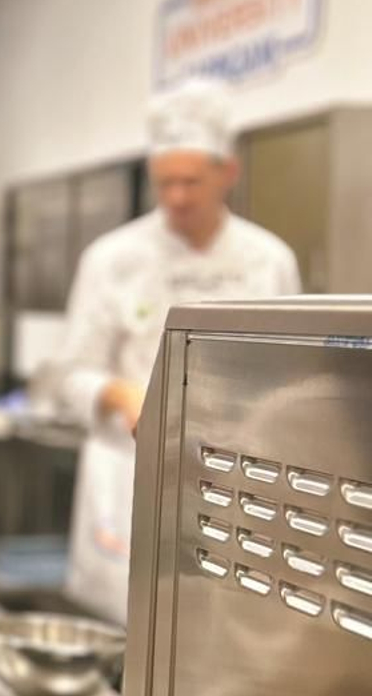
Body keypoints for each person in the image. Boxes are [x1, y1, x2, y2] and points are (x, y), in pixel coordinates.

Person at [49, 76, 301, 619]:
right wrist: (120, 394)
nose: (177, 198)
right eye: (164, 183)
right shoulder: (112, 259)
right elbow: (67, 375)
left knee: (226, 629)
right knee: (132, 633)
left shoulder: (269, 260)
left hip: (239, 483)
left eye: (191, 181)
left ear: (228, 174)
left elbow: (292, 375)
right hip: (131, 478)